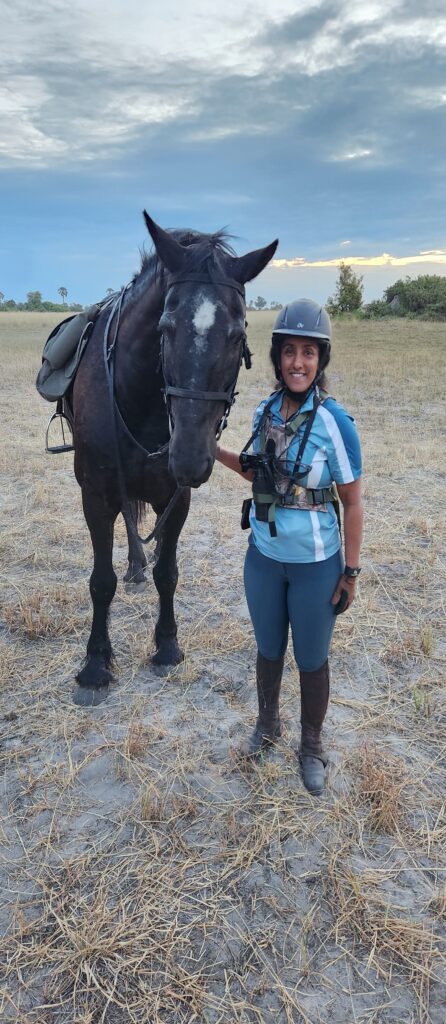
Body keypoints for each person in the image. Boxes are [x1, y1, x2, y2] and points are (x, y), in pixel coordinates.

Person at [215, 299, 363, 796]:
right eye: (289, 352)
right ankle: (267, 725)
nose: (298, 363)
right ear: (277, 356)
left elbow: (353, 502)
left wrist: (351, 572)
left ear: (321, 360)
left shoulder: (335, 423)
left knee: (312, 657)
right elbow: (257, 470)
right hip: (263, 559)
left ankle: (312, 744)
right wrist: (209, 449)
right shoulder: (264, 411)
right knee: (268, 648)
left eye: (308, 353)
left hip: (316, 567)